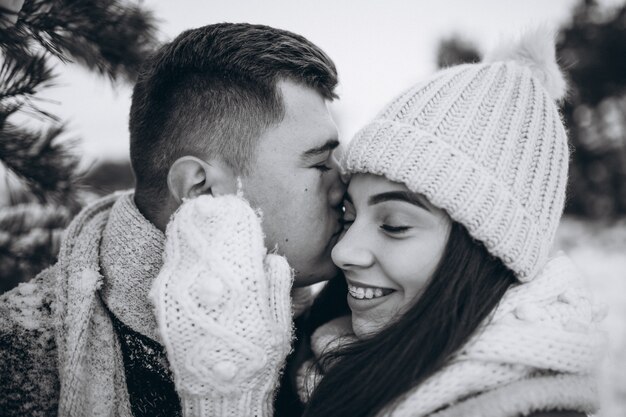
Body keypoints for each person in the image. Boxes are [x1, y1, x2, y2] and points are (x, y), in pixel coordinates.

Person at [0, 23, 344, 417]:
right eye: (320, 164)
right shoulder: (18, 361)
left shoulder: (339, 343)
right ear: (200, 188)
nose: (343, 187)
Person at [295, 29, 606, 417]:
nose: (343, 252)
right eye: (349, 215)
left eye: (393, 225)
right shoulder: (324, 361)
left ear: (489, 251)